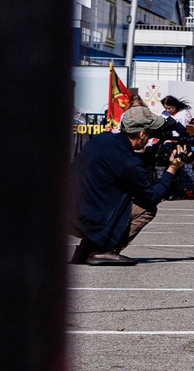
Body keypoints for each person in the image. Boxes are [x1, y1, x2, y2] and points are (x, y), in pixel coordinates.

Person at [74, 107, 175, 265]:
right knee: (146, 210)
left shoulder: (102, 139)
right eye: (150, 134)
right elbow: (151, 197)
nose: (150, 138)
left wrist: (152, 154)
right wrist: (172, 170)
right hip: (89, 218)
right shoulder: (129, 164)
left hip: (70, 211)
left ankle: (85, 251)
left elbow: (121, 160)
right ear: (142, 134)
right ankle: (104, 251)